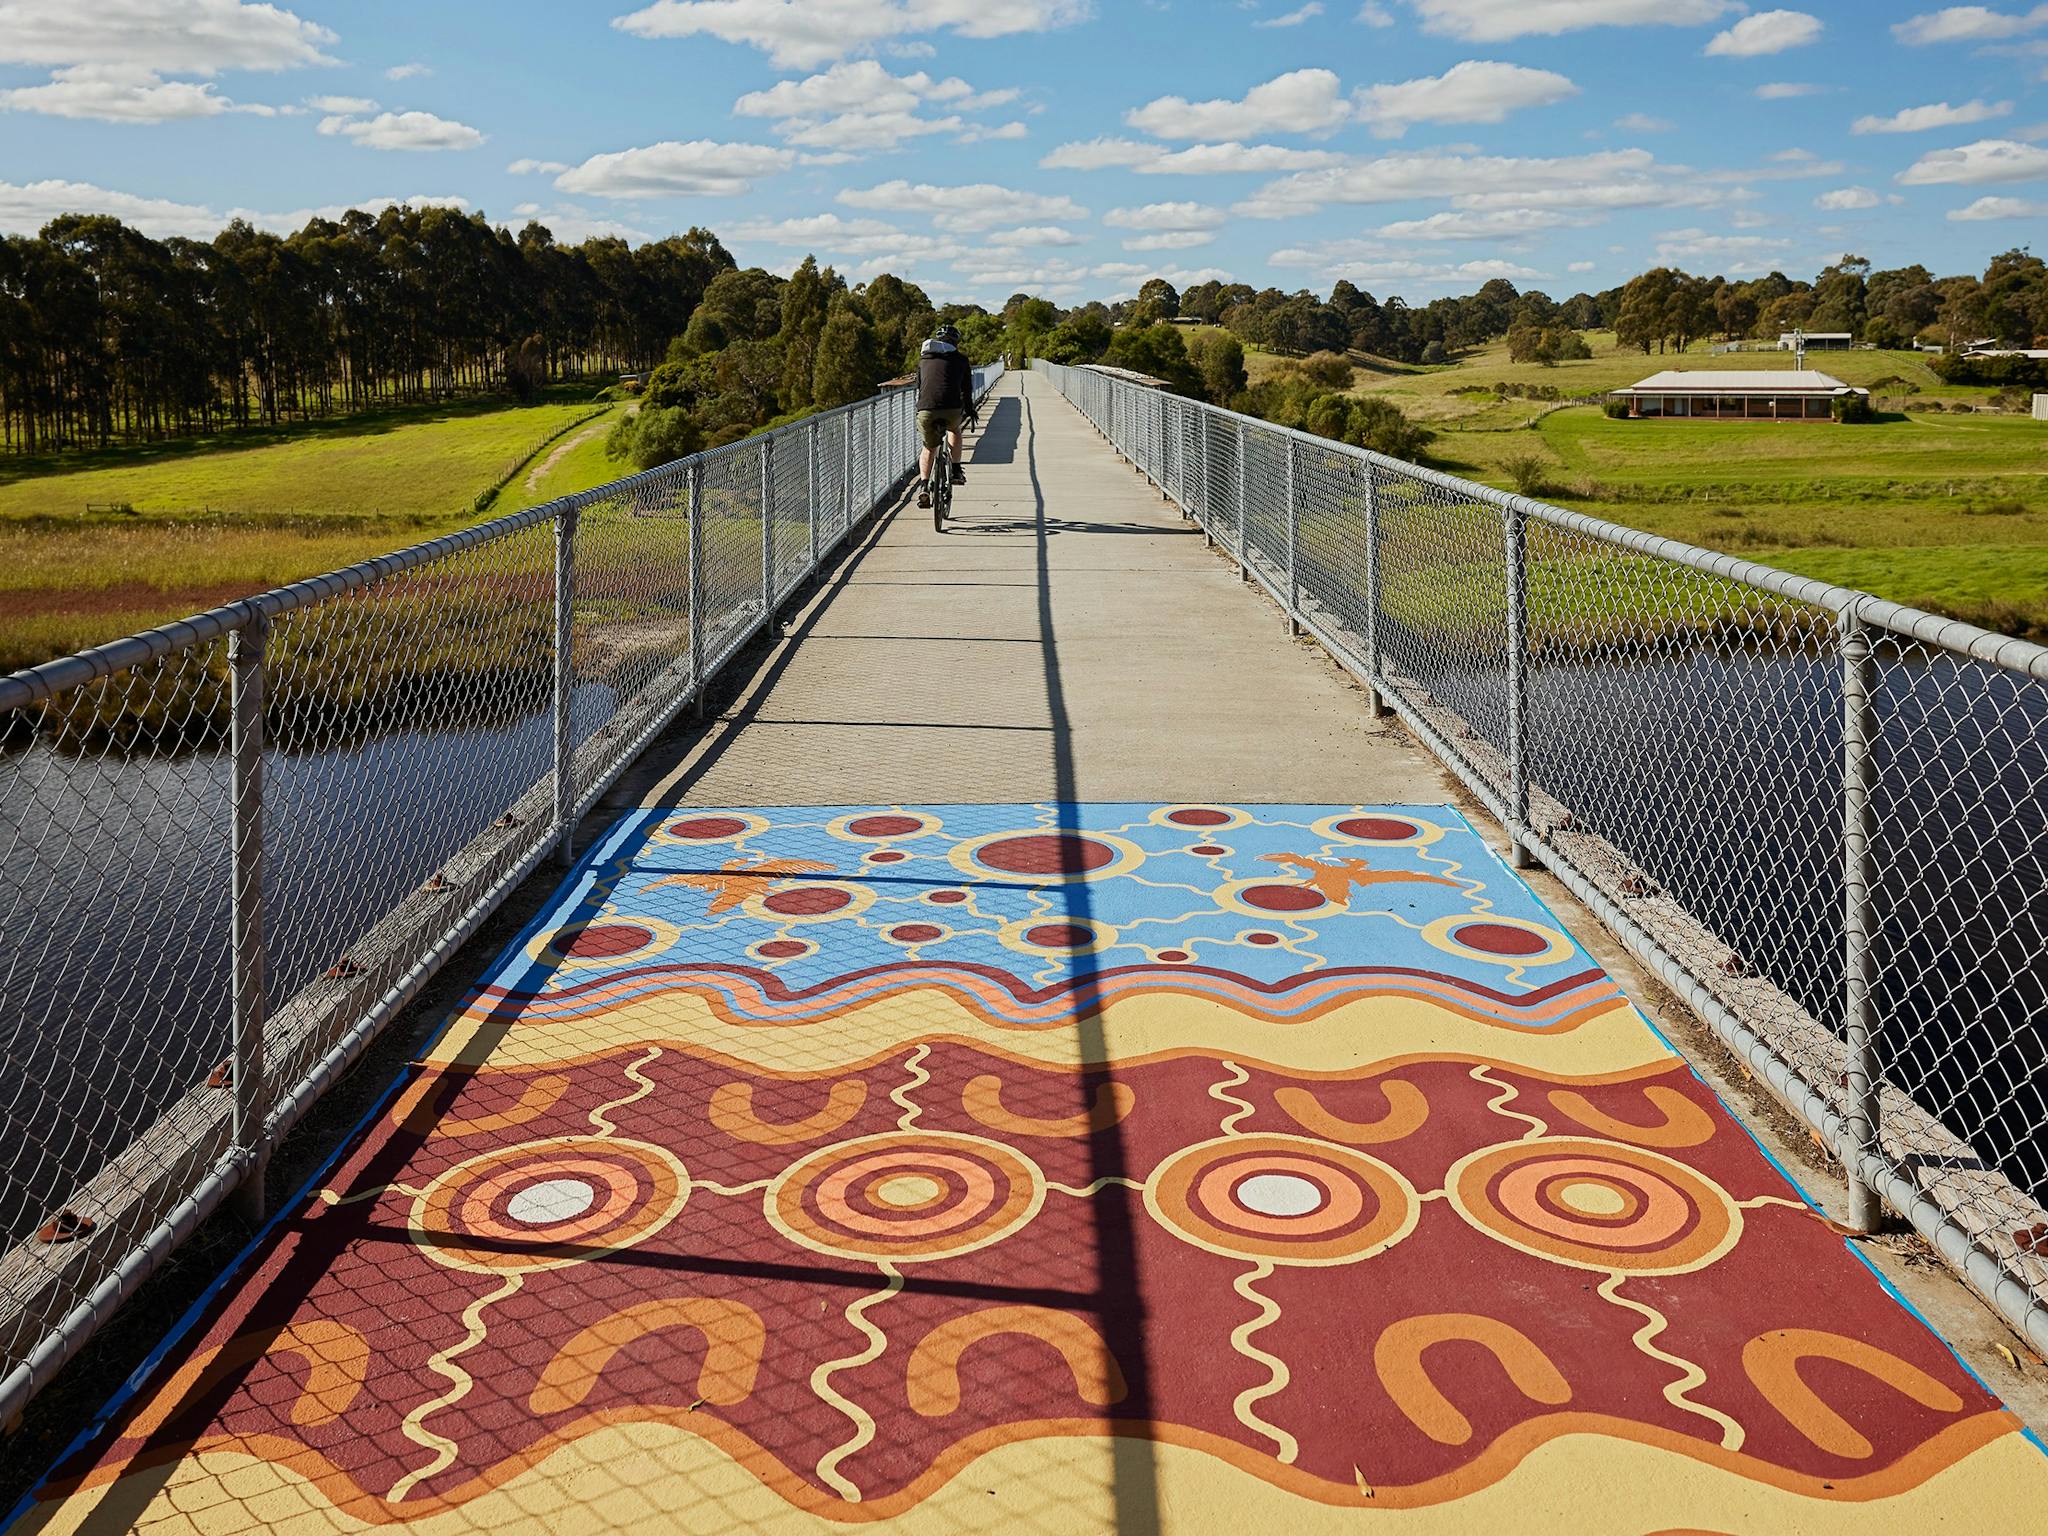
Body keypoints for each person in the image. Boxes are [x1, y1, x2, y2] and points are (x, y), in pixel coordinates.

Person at [915, 324, 976, 508]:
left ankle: (924, 486)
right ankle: (956, 470)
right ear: (955, 343)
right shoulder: (961, 360)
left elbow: (919, 386)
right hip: (951, 408)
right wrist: (970, 410)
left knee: (929, 448)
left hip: (927, 409)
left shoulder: (923, 360)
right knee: (955, 429)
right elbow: (966, 390)